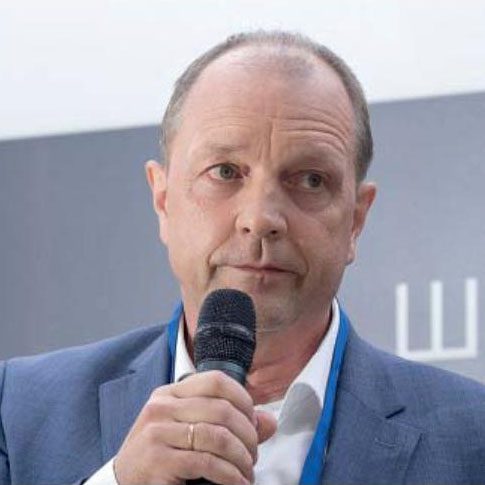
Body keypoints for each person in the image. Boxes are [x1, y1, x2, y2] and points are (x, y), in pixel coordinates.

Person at [1, 30, 484, 485]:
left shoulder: (472, 439)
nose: (260, 218)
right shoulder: (19, 409)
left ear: (356, 220)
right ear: (163, 200)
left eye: (311, 179)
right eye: (225, 171)